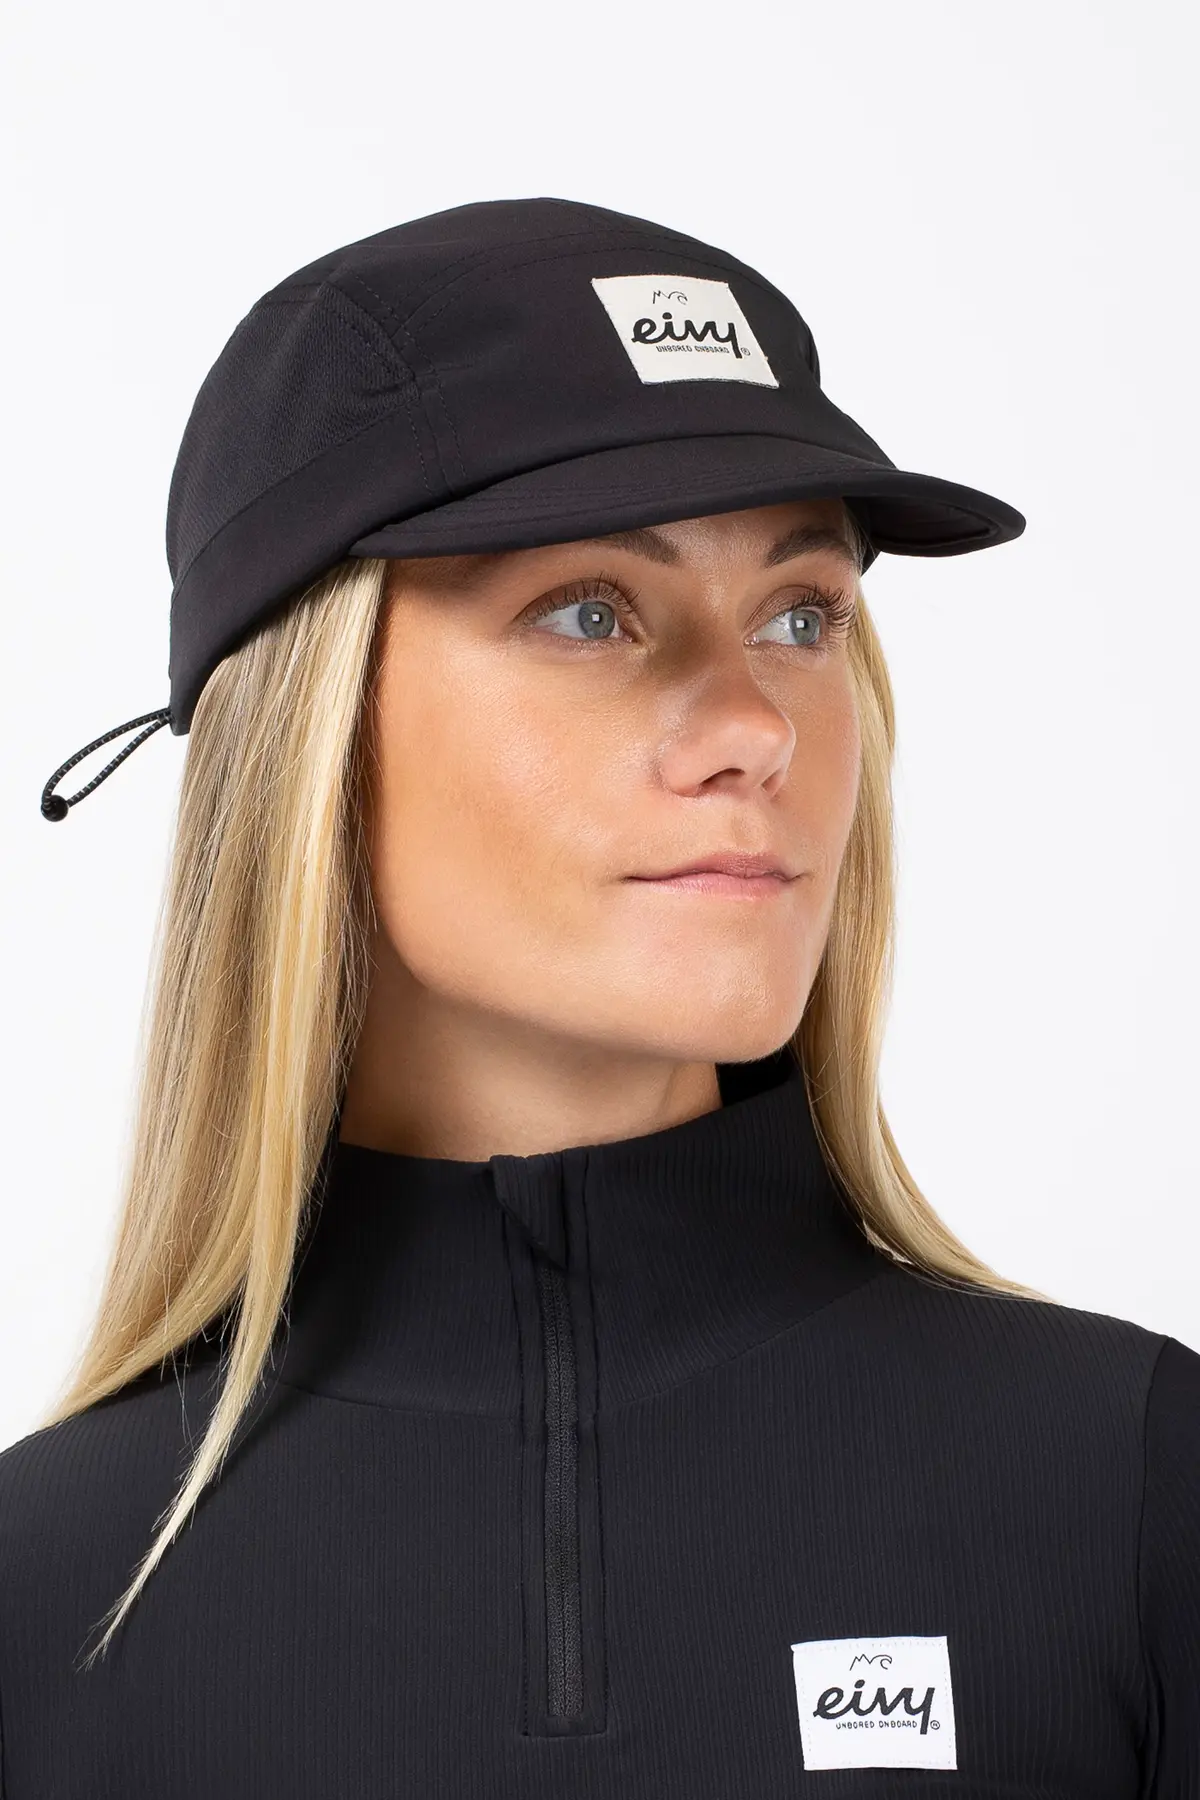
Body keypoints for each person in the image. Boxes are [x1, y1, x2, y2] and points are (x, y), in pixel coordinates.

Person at [5, 197, 1197, 1797]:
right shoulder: (39, 1600)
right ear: (308, 729)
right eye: (589, 611)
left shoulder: (1130, 1488)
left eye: (800, 615)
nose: (758, 727)